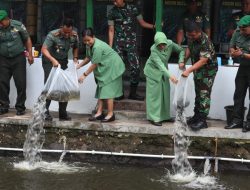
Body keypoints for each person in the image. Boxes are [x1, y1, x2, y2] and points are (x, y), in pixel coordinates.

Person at [108, 0, 155, 101]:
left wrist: (154, 26)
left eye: (116, 0)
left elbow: (142, 23)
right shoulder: (112, 12)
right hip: (118, 43)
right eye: (113, 1)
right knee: (117, 68)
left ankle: (133, 93)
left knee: (136, 67)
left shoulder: (133, 9)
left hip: (131, 43)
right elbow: (111, 30)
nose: (114, 2)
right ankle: (118, 93)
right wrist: (110, 48)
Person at [78, 28, 125, 122]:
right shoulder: (89, 45)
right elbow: (88, 57)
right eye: (85, 41)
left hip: (113, 67)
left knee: (108, 92)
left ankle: (111, 114)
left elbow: (94, 64)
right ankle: (99, 113)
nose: (87, 42)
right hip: (106, 67)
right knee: (101, 89)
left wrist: (84, 74)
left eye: (88, 40)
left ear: (93, 37)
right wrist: (78, 66)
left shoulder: (97, 47)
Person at [181, 21, 218, 131]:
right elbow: (189, 48)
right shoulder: (192, 38)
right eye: (189, 35)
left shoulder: (205, 41)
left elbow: (203, 61)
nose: (190, 37)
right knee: (198, 93)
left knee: (204, 94)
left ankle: (202, 120)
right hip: (198, 70)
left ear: (199, 32)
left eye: (192, 35)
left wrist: (188, 70)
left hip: (207, 71)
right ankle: (196, 116)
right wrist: (184, 60)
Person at [41, 18, 79, 121]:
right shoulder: (53, 35)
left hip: (63, 62)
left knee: (63, 86)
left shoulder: (74, 35)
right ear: (61, 27)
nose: (67, 34)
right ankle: (44, 112)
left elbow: (76, 47)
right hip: (49, 61)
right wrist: (52, 59)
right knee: (50, 85)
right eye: (65, 32)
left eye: (69, 32)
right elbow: (44, 49)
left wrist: (75, 58)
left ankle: (62, 113)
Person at [144, 32, 183, 126]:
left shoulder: (170, 43)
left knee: (165, 93)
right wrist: (171, 76)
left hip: (164, 72)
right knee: (154, 95)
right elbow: (160, 65)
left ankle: (165, 116)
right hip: (153, 72)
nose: (161, 46)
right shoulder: (153, 50)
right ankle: (154, 117)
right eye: (159, 45)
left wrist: (181, 60)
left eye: (163, 44)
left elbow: (181, 50)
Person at [0, 10, 34, 116]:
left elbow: (27, 39)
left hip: (18, 58)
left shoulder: (18, 25)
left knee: (20, 83)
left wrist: (30, 54)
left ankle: (20, 107)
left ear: (7, 19)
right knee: (2, 83)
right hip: (3, 58)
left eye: (1, 22)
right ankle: (4, 106)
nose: (0, 24)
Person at [225, 15, 250, 133]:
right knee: (238, 94)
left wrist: (242, 54)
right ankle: (237, 120)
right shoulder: (238, 31)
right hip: (243, 67)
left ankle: (249, 123)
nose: (242, 32)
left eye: (244, 29)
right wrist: (232, 52)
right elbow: (231, 46)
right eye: (241, 29)